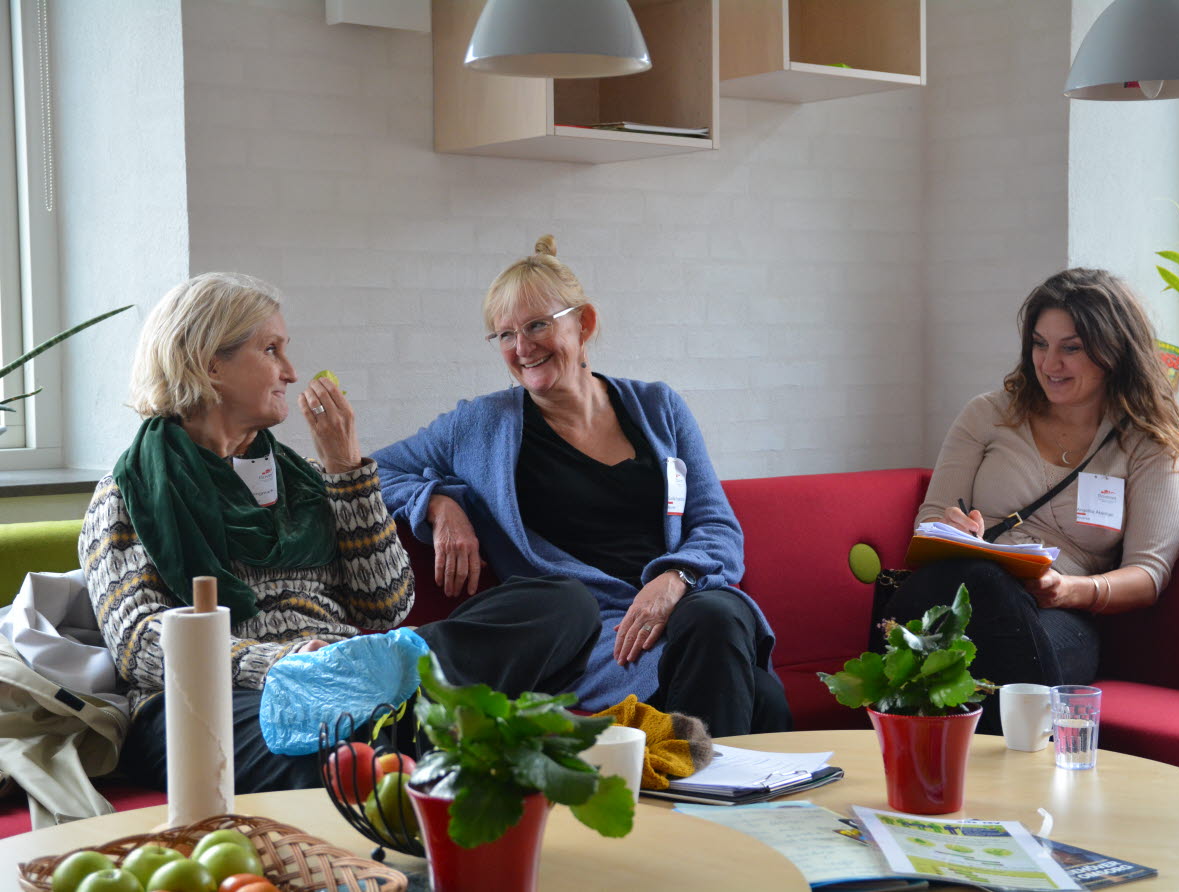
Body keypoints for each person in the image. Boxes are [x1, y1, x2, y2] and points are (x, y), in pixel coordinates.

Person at [80, 272, 599, 793]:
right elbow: (138, 643)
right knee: (350, 762)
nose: (290, 371)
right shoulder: (129, 492)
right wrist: (291, 664)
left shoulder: (307, 477)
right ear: (211, 364)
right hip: (215, 700)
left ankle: (419, 721)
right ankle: (435, 727)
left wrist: (348, 472)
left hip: (349, 682)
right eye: (271, 349)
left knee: (565, 603)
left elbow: (387, 607)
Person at [373, 236, 791, 737]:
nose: (522, 348)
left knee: (718, 616)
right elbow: (372, 473)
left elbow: (716, 524)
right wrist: (438, 503)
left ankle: (700, 798)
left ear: (584, 322)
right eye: (504, 335)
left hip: (686, 605)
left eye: (537, 325)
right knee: (760, 694)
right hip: (598, 636)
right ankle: (720, 804)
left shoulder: (659, 408)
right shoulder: (480, 426)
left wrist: (674, 579)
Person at [889, 268, 1179, 733]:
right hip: (953, 595)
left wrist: (1070, 590)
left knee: (971, 646)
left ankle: (928, 769)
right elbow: (931, 519)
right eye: (1040, 344)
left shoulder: (1147, 444)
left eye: (1071, 348)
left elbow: (1149, 575)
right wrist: (952, 530)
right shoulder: (988, 414)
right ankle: (1028, 776)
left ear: (1114, 350)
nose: (1049, 363)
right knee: (980, 581)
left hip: (1057, 616)